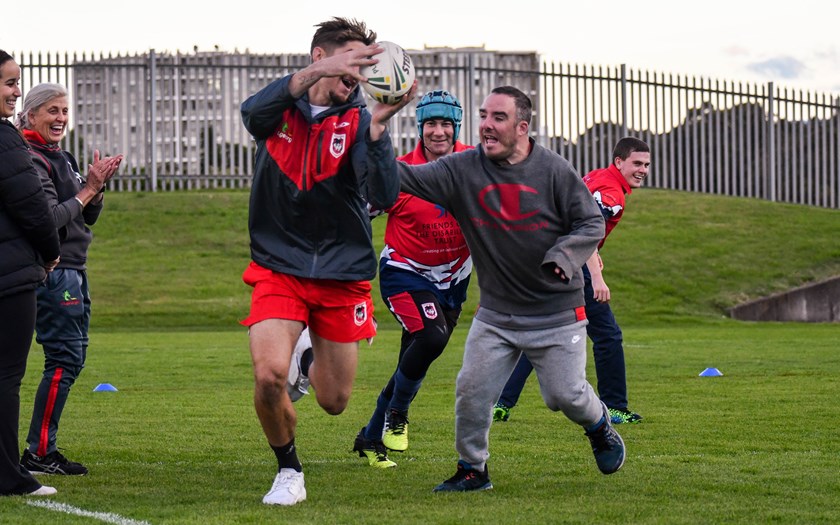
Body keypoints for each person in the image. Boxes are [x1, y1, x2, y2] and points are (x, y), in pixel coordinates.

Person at [392, 86, 626, 492]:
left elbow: (590, 222)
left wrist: (564, 256)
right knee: (471, 389)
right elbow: (402, 177)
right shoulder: (462, 168)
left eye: (498, 118)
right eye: (483, 116)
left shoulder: (553, 170)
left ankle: (599, 423)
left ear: (522, 126)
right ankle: (473, 469)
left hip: (556, 313)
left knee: (564, 396)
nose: (486, 125)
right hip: (497, 314)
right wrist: (375, 126)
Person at [239, 17, 415, 506]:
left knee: (335, 403)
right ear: (322, 58)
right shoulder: (279, 108)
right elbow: (251, 115)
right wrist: (312, 75)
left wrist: (379, 130)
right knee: (268, 375)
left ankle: (308, 357)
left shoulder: (361, 121)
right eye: (351, 64)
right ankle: (289, 471)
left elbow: (383, 192)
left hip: (343, 275)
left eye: (365, 67)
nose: (357, 76)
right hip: (279, 267)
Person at [351, 90, 474, 468]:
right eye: (431, 124)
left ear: (457, 127)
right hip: (405, 272)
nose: (438, 132)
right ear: (420, 128)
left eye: (446, 124)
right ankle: (397, 414)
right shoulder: (399, 171)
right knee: (432, 338)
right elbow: (354, 218)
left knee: (415, 360)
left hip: (454, 279)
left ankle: (371, 438)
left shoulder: (478, 165)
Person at [493, 137, 650, 425]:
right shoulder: (612, 194)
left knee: (544, 331)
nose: (643, 170)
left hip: (547, 257)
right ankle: (614, 406)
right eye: (637, 163)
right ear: (619, 162)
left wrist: (593, 254)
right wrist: (597, 277)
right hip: (567, 264)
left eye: (647, 164)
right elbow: (584, 230)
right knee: (607, 335)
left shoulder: (598, 177)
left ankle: (500, 403)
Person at [16, 83, 122, 477]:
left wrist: (97, 187)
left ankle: (41, 450)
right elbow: (49, 220)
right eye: (51, 111)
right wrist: (89, 188)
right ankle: (39, 452)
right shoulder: (29, 160)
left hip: (75, 268)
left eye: (64, 110)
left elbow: (86, 216)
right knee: (63, 357)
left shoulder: (64, 156)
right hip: (54, 269)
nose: (60, 118)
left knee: (71, 358)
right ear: (30, 115)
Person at [0, 50, 61, 497]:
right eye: (8, 83)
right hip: (10, 276)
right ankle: (9, 475)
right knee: (6, 377)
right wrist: (49, 253)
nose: (16, 91)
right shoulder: (6, 140)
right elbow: (33, 209)